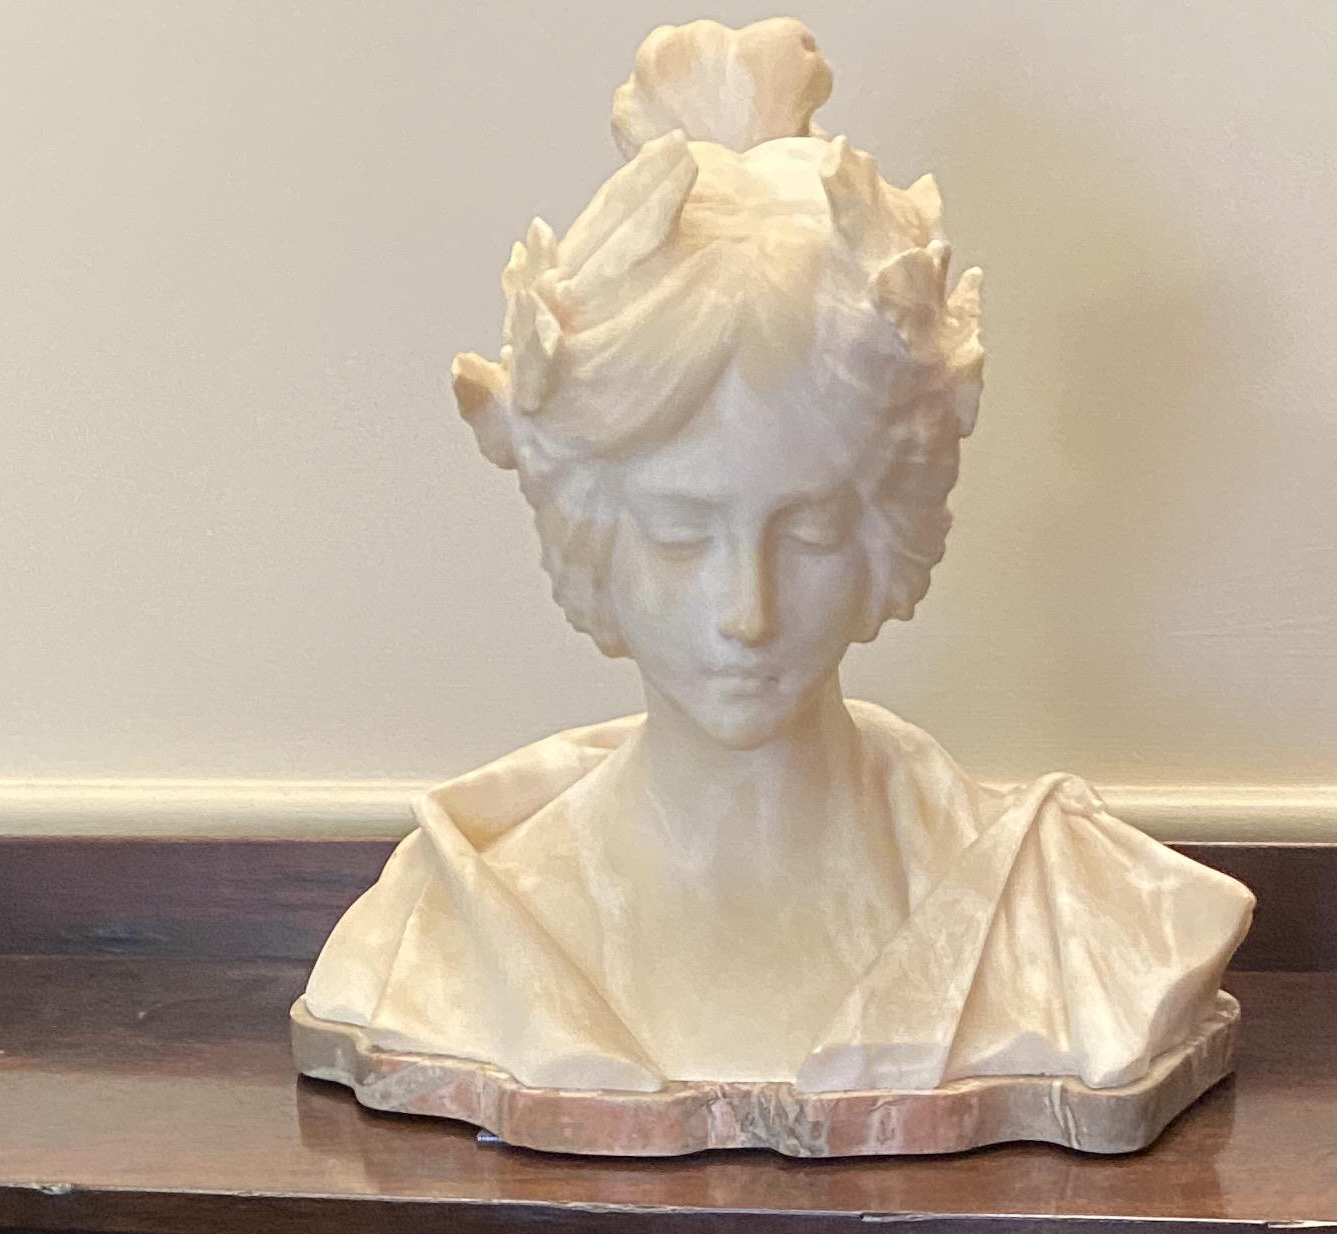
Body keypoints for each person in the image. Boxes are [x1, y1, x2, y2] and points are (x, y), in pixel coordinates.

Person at [296, 17, 1253, 1155]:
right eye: (681, 533)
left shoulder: (1080, 919)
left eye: (803, 532)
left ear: (888, 527)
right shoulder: (447, 928)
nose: (743, 611)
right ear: (587, 527)